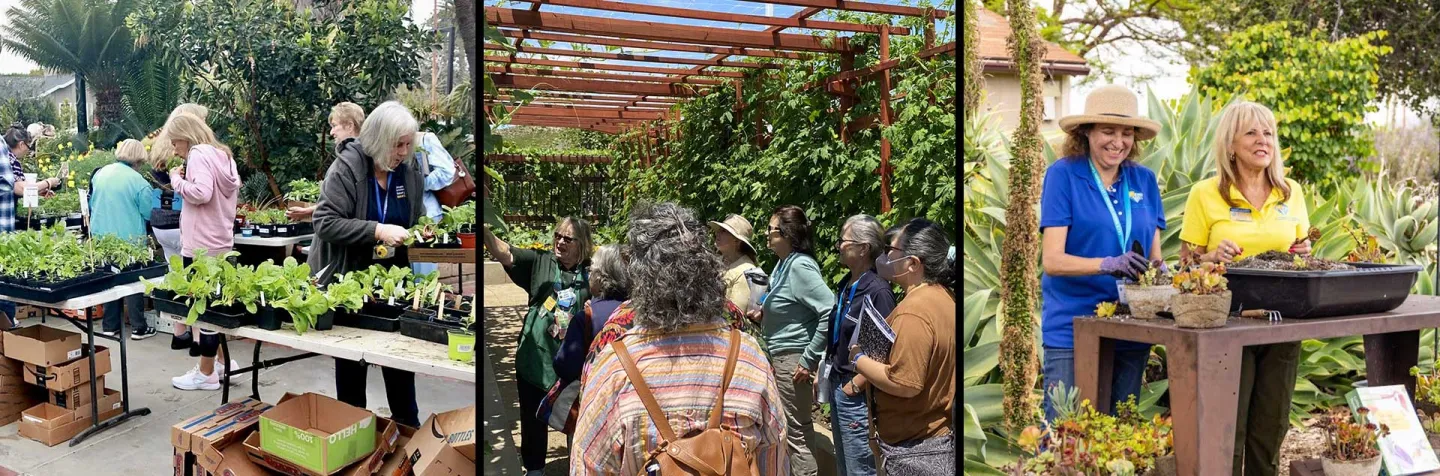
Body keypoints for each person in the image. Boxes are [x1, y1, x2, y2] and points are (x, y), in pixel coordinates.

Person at [571, 201, 788, 475]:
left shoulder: (615, 366)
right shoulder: (748, 356)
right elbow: (775, 456)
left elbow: (588, 465)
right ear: (708, 269)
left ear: (638, 275)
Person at [1179, 101, 1309, 476]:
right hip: (1228, 322)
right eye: (1251, 132)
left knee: (1271, 424)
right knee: (1229, 424)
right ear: (1230, 144)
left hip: (1283, 321)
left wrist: (1303, 251)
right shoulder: (1206, 193)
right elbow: (1185, 264)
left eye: (1268, 133)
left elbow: (1301, 254)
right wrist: (1211, 256)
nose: (1262, 141)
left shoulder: (1290, 193)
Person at [1038, 84, 1164, 423]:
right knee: (1065, 429)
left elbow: (1156, 260)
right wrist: (1107, 264)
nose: (1118, 142)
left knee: (1119, 428)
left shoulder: (1144, 180)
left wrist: (1167, 278)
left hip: (1130, 324)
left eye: (1126, 133)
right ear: (1086, 132)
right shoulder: (1063, 175)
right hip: (1073, 324)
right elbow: (1052, 260)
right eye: (1107, 131)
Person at [310, 101, 425, 428]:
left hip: (392, 285)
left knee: (400, 364)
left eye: (407, 144)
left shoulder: (410, 170)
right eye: (397, 144)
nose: (403, 152)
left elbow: (413, 218)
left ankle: (407, 434)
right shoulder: (347, 168)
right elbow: (324, 221)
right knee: (351, 368)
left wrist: (421, 233)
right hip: (347, 282)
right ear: (376, 139)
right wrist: (376, 230)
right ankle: (350, 435)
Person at [481, 215, 593, 476]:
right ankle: (534, 469)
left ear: (583, 244)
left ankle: (577, 466)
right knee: (532, 419)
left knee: (576, 417)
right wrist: (484, 230)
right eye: (558, 236)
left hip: (574, 363)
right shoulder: (541, 262)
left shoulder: (592, 273)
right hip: (536, 359)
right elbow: (506, 253)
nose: (560, 242)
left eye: (568, 238)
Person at [848, 218, 956, 473]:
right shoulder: (942, 296)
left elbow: (905, 383)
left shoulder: (914, 312)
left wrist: (858, 358)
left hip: (915, 450)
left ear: (913, 263)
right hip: (931, 441)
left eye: (891, 250)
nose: (884, 256)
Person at [750, 205, 832, 476]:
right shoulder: (782, 266)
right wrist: (764, 315)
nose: (766, 234)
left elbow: (829, 309)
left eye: (771, 229)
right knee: (793, 426)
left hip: (793, 360)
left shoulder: (800, 266)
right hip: (782, 356)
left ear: (788, 234)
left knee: (795, 429)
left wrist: (808, 360)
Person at [163, 112, 243, 391]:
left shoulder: (197, 153)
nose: (175, 149)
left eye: (176, 142)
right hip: (221, 241)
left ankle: (206, 374)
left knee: (203, 310)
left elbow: (201, 193)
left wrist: (176, 180)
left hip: (199, 246)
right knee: (215, 306)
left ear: (187, 136)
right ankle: (223, 363)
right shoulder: (224, 155)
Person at [827, 214, 895, 476]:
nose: (839, 246)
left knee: (859, 470)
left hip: (856, 393)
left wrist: (856, 386)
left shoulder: (878, 292)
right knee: (845, 466)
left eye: (844, 240)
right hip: (839, 383)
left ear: (864, 248)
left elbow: (887, 350)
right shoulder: (847, 285)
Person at [147, 103, 209, 349]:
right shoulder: (193, 151)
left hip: (160, 221)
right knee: (195, 279)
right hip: (183, 219)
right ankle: (197, 338)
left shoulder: (160, 147)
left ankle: (178, 331)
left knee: (176, 276)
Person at [90, 139, 157, 339]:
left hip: (102, 236)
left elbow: (93, 202)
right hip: (130, 238)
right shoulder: (139, 182)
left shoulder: (101, 173)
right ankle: (138, 326)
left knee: (110, 280)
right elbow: (148, 213)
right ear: (139, 159)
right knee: (133, 282)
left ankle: (110, 325)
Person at [0, 124, 65, 328]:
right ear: (21, 144)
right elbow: (17, 188)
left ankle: (8, 321)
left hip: (6, 223)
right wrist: (47, 182)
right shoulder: (3, 153)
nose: (30, 151)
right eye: (29, 146)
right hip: (2, 228)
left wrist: (37, 190)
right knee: (4, 276)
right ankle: (8, 323)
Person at [552, 244, 628, 387]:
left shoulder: (586, 317)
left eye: (590, 271)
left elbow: (564, 367)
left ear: (600, 277)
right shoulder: (641, 310)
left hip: (595, 396)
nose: (589, 275)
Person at [288, 102, 364, 223]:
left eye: (334, 126)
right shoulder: (366, 157)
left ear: (350, 126)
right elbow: (345, 202)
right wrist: (312, 210)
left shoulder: (346, 164)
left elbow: (332, 220)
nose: (331, 132)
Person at [409, 129, 456, 278]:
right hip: (403, 215)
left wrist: (418, 184)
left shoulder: (424, 139)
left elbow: (447, 171)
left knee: (424, 274)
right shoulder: (387, 141)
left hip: (426, 214)